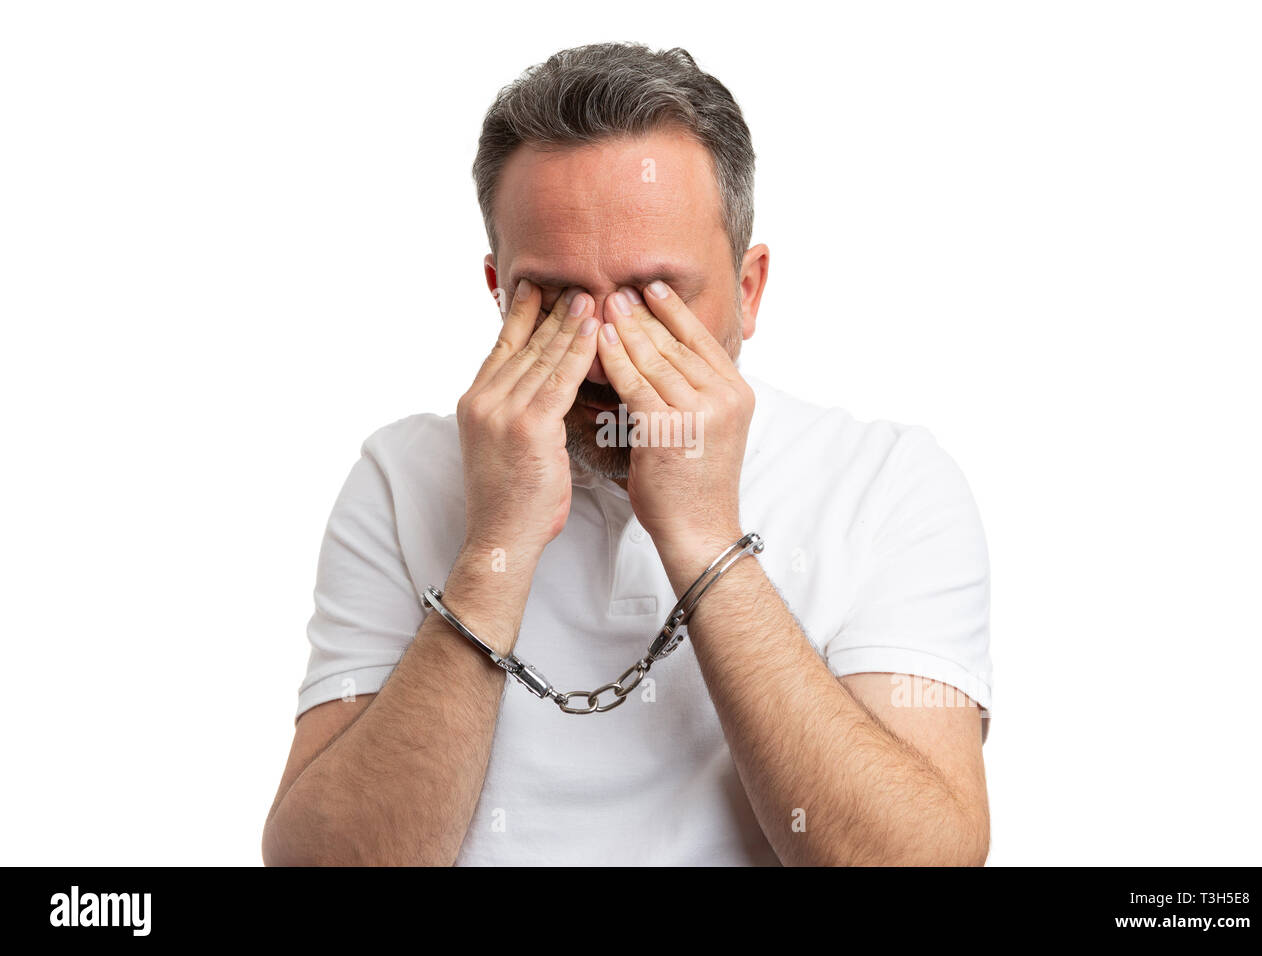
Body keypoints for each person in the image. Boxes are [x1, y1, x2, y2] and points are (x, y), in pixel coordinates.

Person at [262, 41, 993, 866]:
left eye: (655, 295)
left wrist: (705, 538)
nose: (604, 352)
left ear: (748, 292)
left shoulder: (888, 485)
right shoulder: (400, 480)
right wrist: (494, 545)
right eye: (558, 298)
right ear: (498, 291)